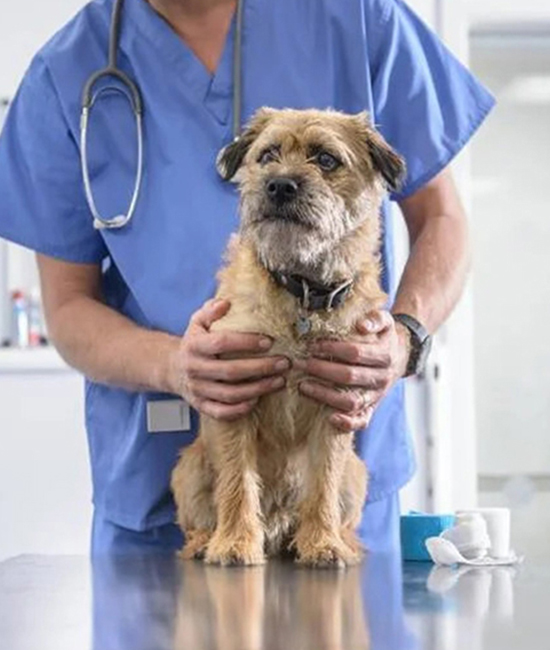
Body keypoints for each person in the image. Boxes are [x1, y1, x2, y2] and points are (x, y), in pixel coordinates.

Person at [0, 0, 494, 555]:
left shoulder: (358, 18)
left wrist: (405, 339)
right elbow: (66, 307)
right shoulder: (65, 71)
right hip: (162, 492)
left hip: (338, 488)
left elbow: (443, 219)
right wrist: (175, 366)